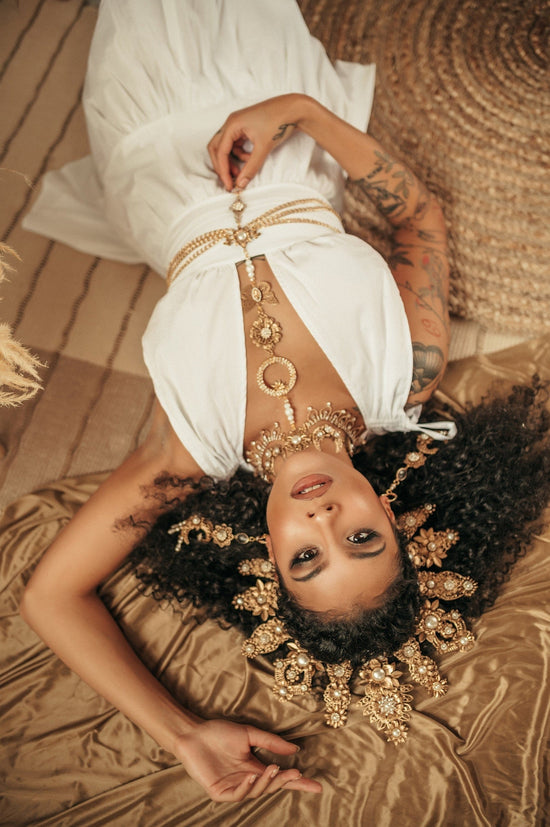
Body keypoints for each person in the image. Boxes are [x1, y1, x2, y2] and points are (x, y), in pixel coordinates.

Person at [18, 0, 550, 805]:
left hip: (147, 132)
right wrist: (302, 112)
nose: (324, 519)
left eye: (306, 557)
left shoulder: (187, 450)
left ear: (268, 554)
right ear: (391, 512)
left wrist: (183, 732)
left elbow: (50, 596)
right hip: (278, 107)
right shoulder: (404, 374)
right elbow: (418, 219)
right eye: (361, 539)